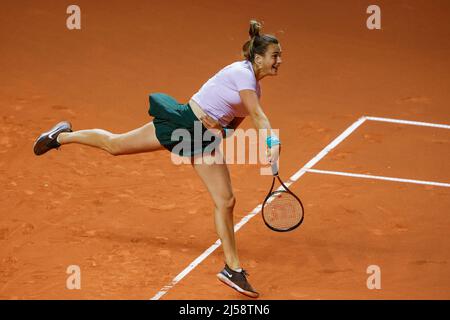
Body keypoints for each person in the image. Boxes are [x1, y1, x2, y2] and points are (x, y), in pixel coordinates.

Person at [33, 20, 282, 298]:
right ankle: (62, 136)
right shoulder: (242, 74)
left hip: (202, 139)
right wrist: (273, 141)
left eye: (279, 56)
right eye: (275, 55)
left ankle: (232, 269)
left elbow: (233, 124)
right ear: (258, 57)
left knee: (226, 200)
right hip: (182, 125)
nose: (279, 61)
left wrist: (219, 129)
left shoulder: (254, 88)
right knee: (115, 145)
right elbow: (258, 116)